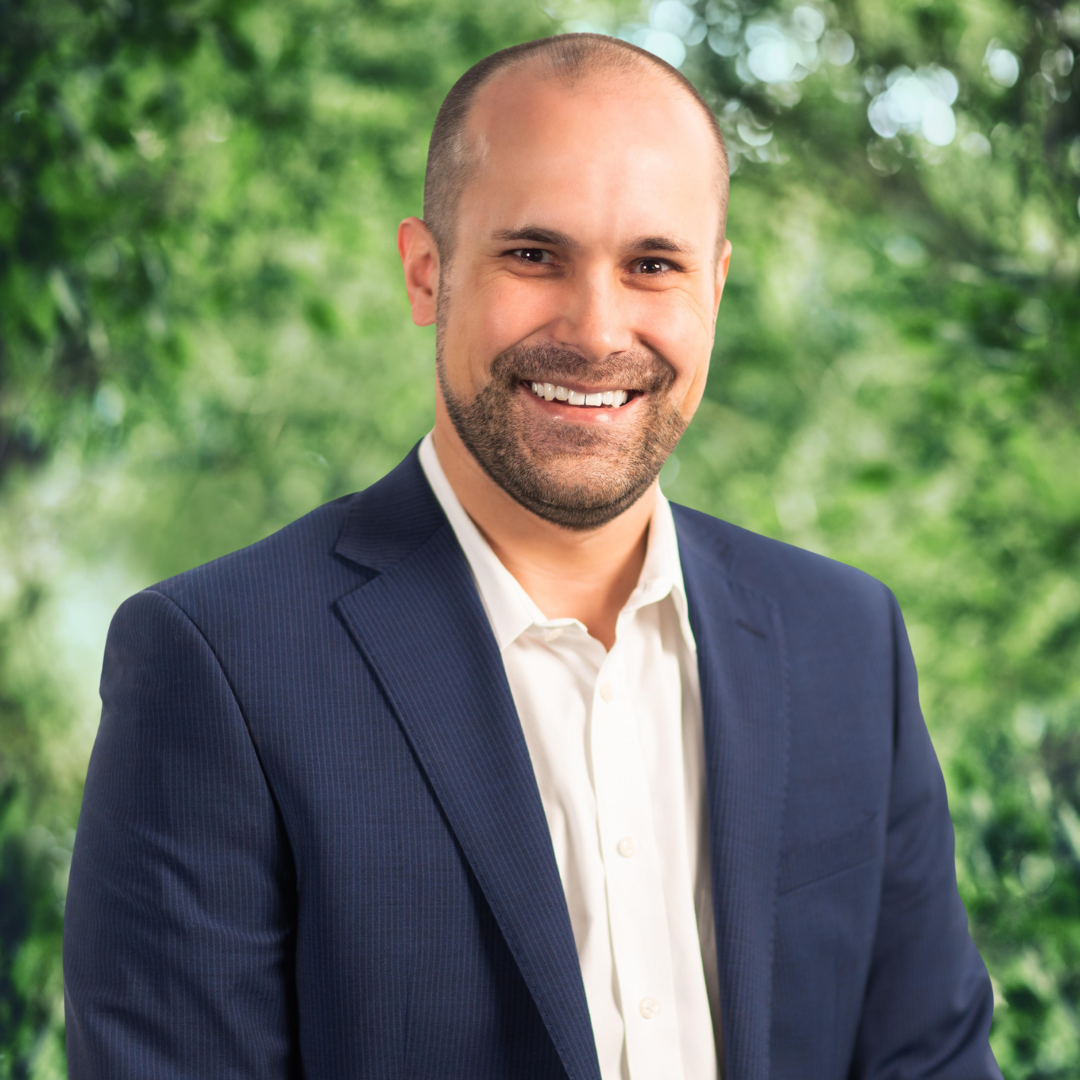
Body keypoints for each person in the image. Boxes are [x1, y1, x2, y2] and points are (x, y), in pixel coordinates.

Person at [63, 33, 1000, 1080]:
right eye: (532, 255)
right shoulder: (218, 664)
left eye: (653, 265)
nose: (598, 331)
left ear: (717, 287)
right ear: (429, 273)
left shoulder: (847, 642)